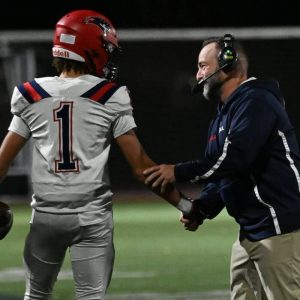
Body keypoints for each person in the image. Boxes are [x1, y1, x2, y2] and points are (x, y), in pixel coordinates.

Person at [0, 9, 197, 300]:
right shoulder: (110, 95)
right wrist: (187, 207)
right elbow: (143, 169)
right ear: (89, 47)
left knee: (36, 296)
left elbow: (1, 163)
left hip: (45, 217)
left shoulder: (30, 94)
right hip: (91, 219)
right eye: (106, 48)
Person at [144, 34, 300, 299]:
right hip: (251, 230)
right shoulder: (224, 113)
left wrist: (178, 171)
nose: (198, 73)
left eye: (204, 65)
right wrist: (204, 207)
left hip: (278, 227)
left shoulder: (256, 101)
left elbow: (236, 158)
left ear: (227, 64)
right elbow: (225, 174)